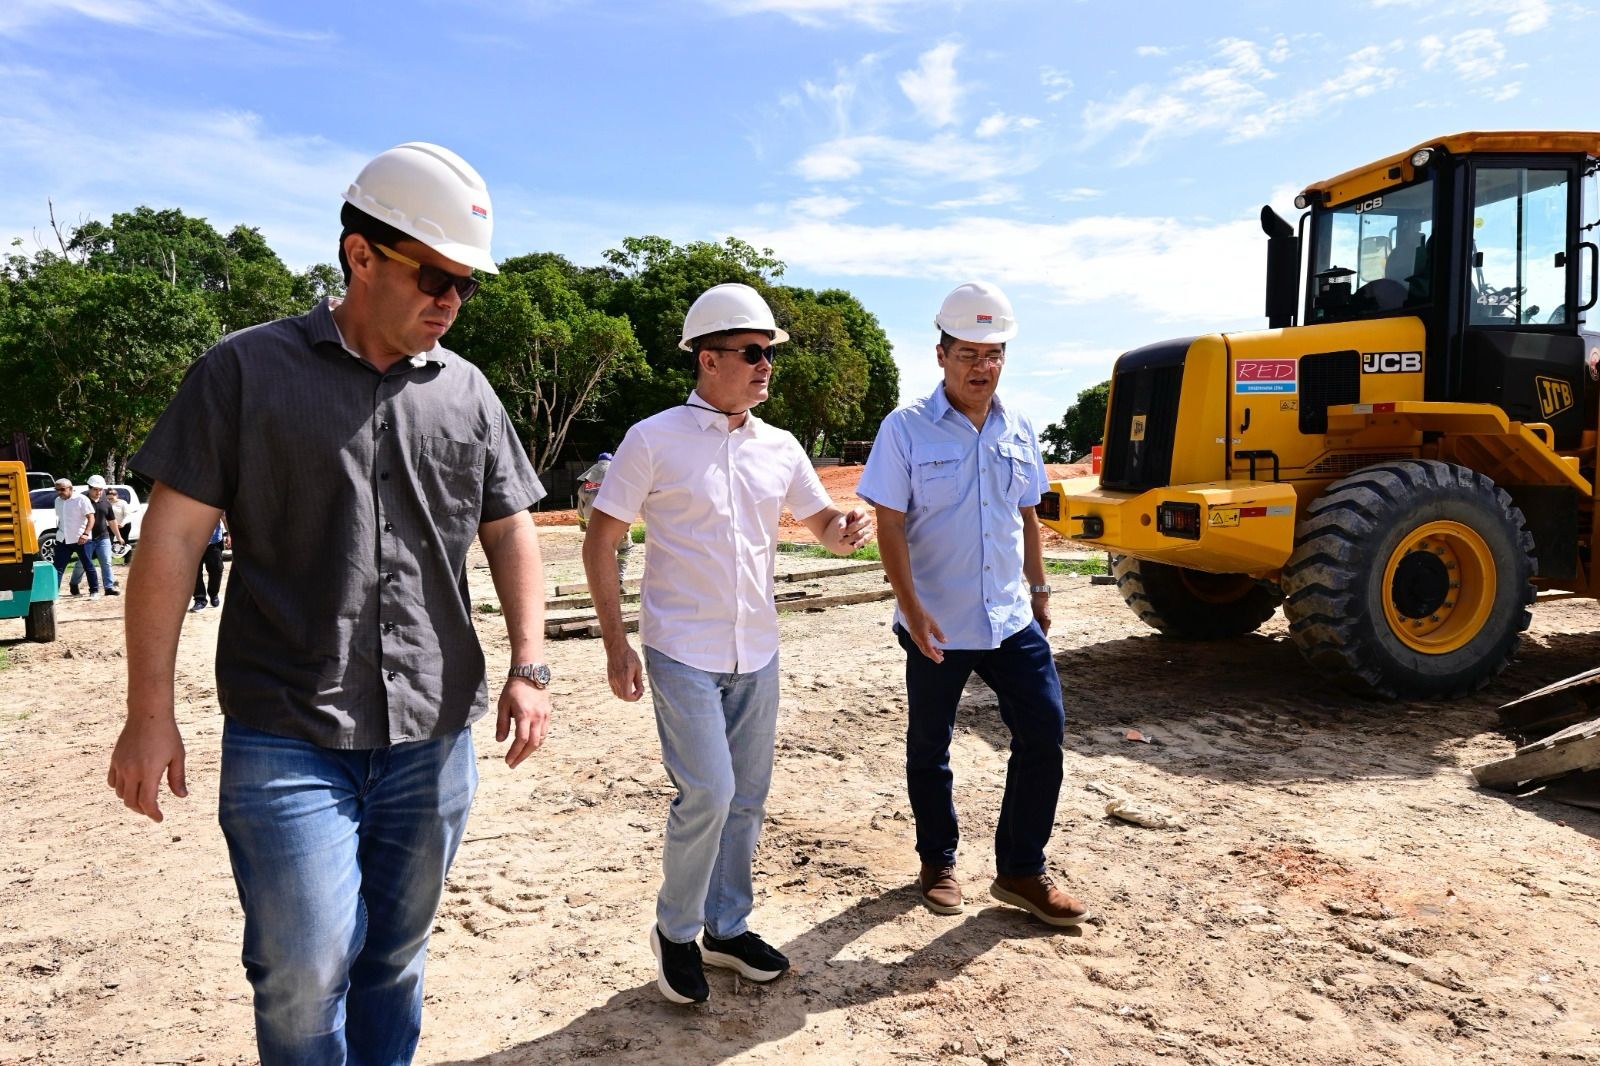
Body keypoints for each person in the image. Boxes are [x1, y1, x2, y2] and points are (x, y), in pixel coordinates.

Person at [107, 142, 554, 1065]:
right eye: (435, 275)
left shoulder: (467, 392)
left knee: (394, 959)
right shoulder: (243, 374)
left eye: (466, 286)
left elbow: (511, 529)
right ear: (360, 255)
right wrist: (147, 714)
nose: (451, 301)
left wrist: (530, 665)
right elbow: (171, 542)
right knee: (305, 971)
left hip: (432, 733)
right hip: (287, 732)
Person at [582, 282, 873, 1005]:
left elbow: (821, 524)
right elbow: (600, 539)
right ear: (708, 359)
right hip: (681, 648)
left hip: (758, 652)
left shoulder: (779, 447)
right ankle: (675, 931)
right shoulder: (653, 439)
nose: (765, 364)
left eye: (768, 352)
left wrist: (847, 528)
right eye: (752, 352)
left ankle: (725, 927)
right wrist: (616, 644)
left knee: (747, 798)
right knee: (708, 792)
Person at [857, 280, 1089, 928]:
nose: (982, 367)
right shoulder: (904, 430)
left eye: (993, 355)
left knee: (1044, 732)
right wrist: (912, 606)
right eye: (968, 354)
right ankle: (938, 861)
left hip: (1009, 617)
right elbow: (890, 525)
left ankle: (1021, 869)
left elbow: (1024, 516)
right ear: (940, 356)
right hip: (936, 621)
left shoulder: (1018, 428)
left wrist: (1039, 592)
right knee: (930, 745)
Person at [576, 451, 630, 581]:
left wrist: (584, 527)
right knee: (624, 550)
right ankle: (619, 580)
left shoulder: (585, 486)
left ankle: (601, 582)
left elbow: (580, 509)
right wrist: (627, 526)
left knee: (600, 552)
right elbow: (626, 504)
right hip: (615, 522)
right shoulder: (618, 482)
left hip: (592, 524)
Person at [69, 475, 123, 597]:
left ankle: (109, 587)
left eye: (100, 489)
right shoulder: (81, 500)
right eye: (95, 489)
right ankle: (74, 583)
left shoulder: (106, 502)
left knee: (107, 562)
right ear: (89, 488)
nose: (98, 492)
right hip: (86, 538)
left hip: (103, 536)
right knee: (82, 563)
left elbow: (112, 521)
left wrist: (119, 537)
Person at [51, 477, 98, 598]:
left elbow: (91, 518)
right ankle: (54, 593)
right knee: (58, 567)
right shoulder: (57, 501)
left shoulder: (81, 499)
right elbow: (61, 519)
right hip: (63, 539)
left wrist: (86, 534)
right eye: (57, 490)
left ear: (70, 488)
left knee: (88, 565)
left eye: (62, 489)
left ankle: (94, 591)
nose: (59, 492)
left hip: (80, 539)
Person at [190, 518, 229, 611]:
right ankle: (200, 599)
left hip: (214, 542)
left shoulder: (216, 502)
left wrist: (229, 534)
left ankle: (213, 593)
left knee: (217, 569)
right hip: (192, 542)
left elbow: (224, 516)